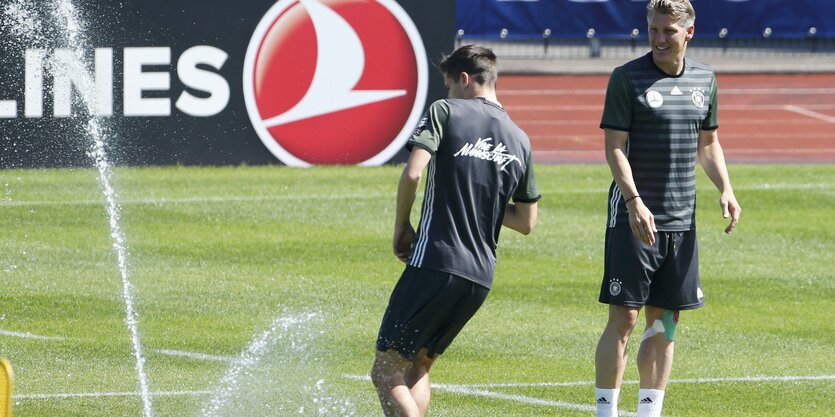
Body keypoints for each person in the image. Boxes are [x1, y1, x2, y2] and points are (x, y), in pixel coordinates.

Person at [370, 45, 541, 417]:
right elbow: (526, 222)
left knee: (385, 369)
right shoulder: (520, 138)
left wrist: (401, 226)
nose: (447, 93)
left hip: (435, 261)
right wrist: (483, 202)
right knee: (419, 366)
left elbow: (413, 172)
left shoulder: (446, 111)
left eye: (449, 85)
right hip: (479, 277)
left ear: (464, 80)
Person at [593, 1, 741, 417]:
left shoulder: (705, 80)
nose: (658, 39)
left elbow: (708, 143)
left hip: (681, 222)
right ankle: (606, 412)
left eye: (668, 32)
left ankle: (649, 412)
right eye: (653, 30)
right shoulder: (627, 78)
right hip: (634, 218)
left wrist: (726, 188)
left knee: (665, 324)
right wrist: (634, 202)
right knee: (623, 320)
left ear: (689, 32)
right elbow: (614, 148)